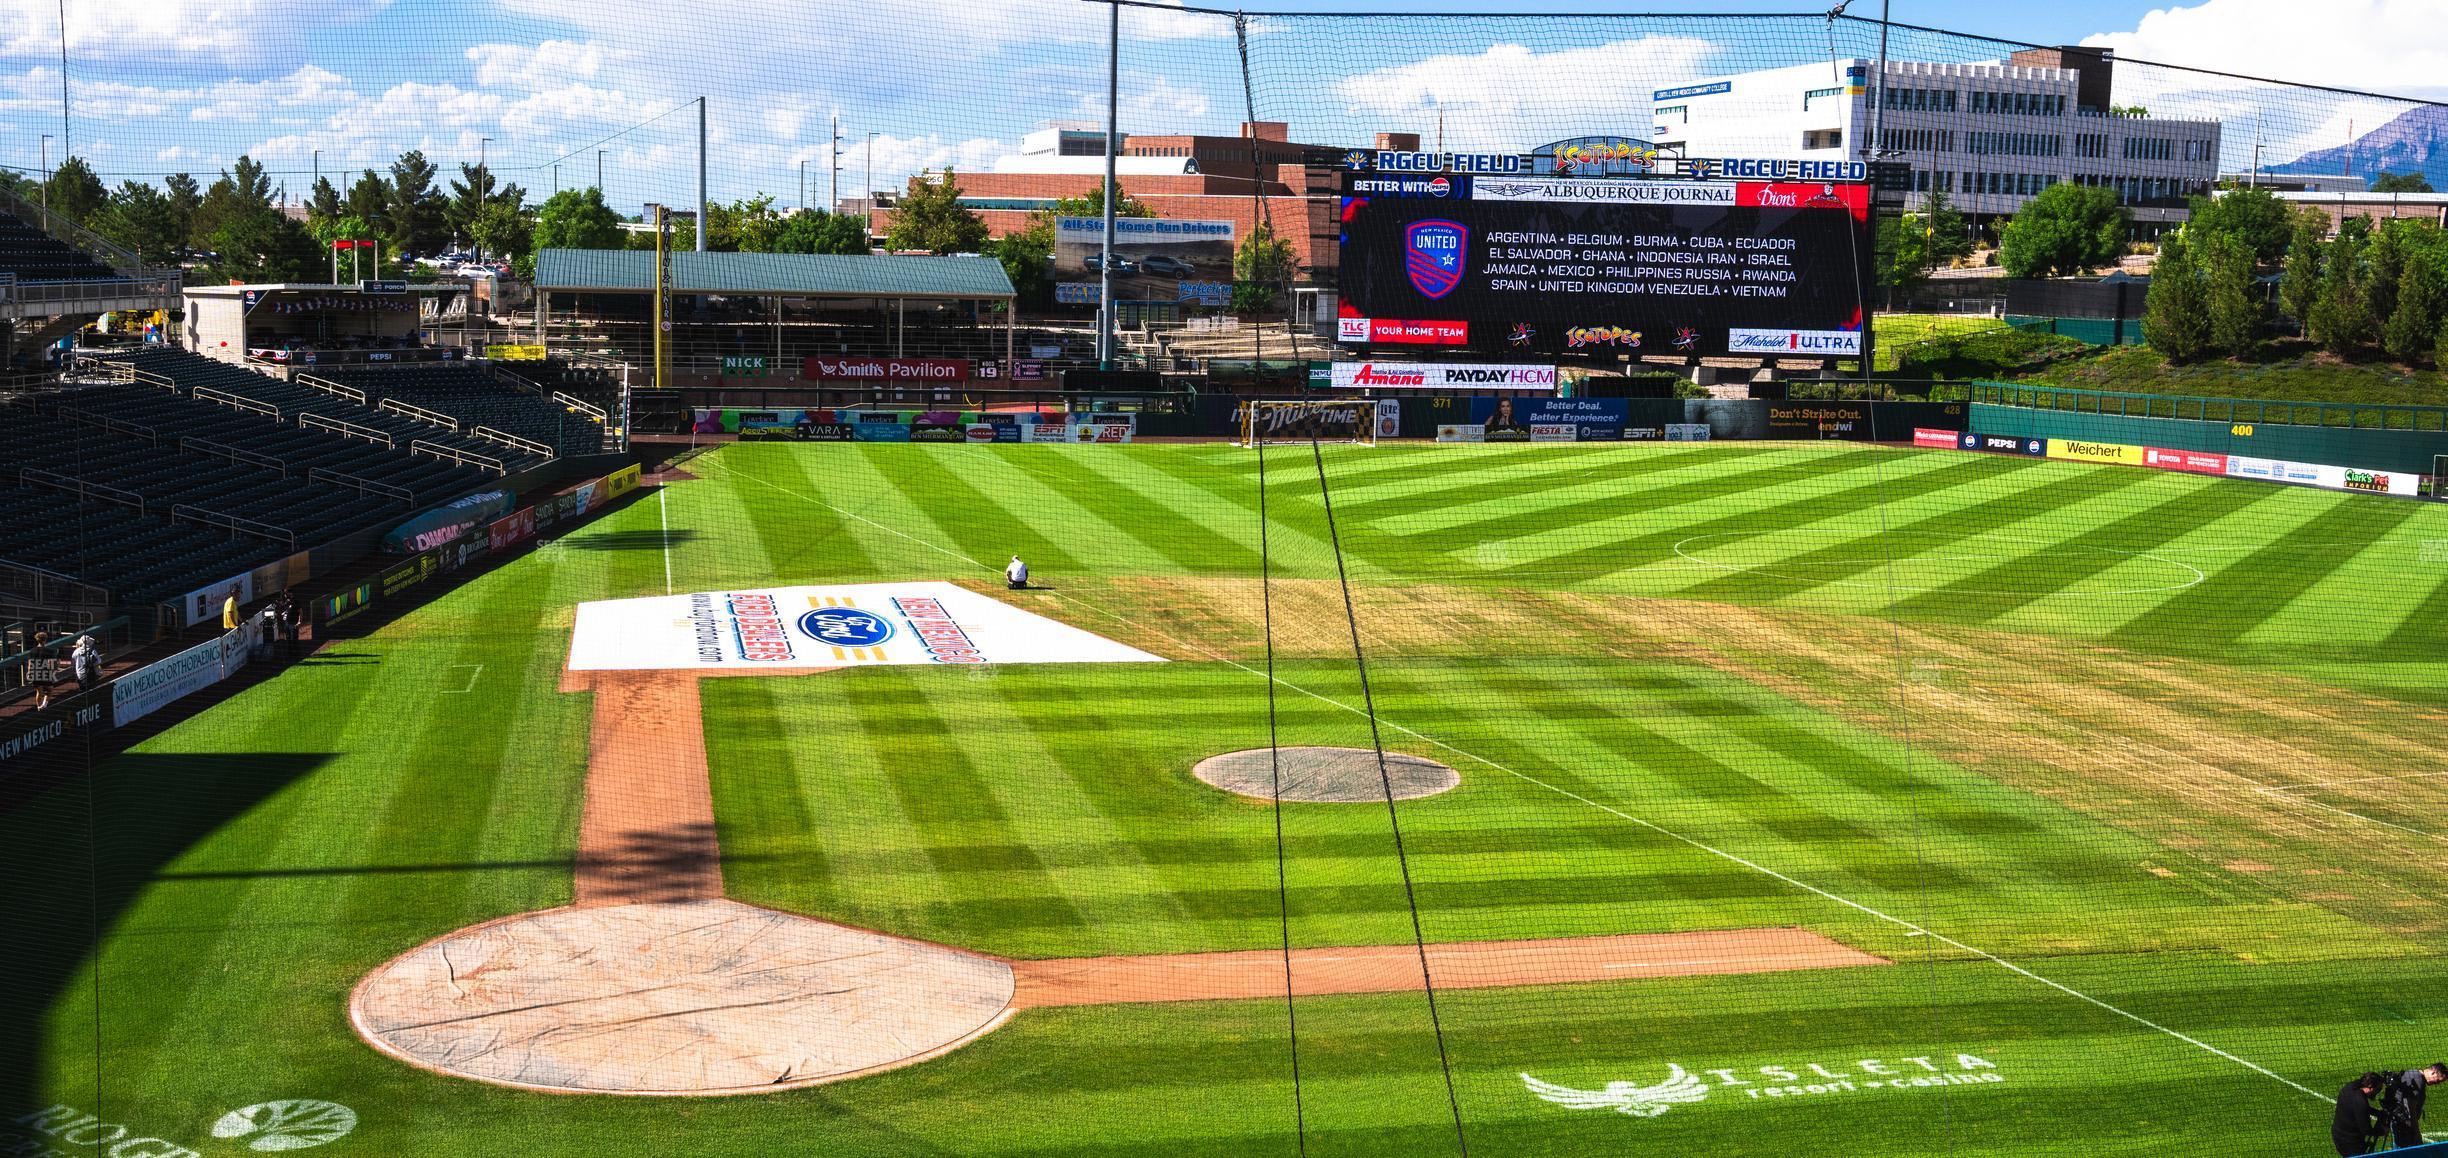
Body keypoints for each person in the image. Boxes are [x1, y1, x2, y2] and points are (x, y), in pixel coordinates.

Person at [2382, 1063, 2448, 1149]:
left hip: (2400, 1122)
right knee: (2406, 1152)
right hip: (2404, 1126)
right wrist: (2416, 1132)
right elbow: (2410, 1108)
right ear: (2433, 1072)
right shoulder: (2418, 1079)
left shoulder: (2413, 1073)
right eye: (2438, 1080)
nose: (2437, 1084)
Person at [2338, 1072, 2384, 1155]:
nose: (2377, 1093)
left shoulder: (2349, 1088)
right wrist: (2381, 1131)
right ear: (2370, 1087)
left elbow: (2358, 1108)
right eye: (2378, 1089)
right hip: (2351, 1142)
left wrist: (2378, 1113)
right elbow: (2366, 1129)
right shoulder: (2360, 1101)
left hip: (2338, 1136)